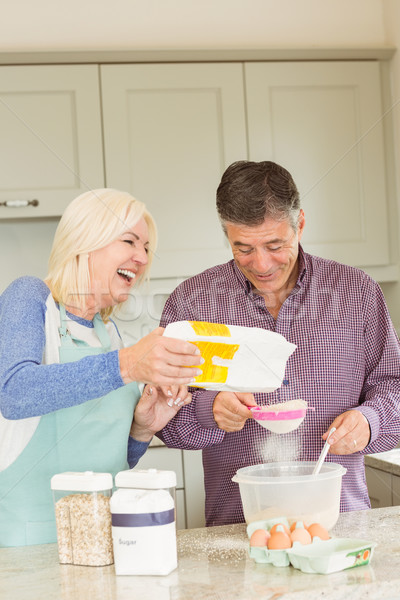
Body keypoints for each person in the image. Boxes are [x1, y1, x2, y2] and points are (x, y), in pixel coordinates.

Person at [158, 160, 400, 527]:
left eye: (275, 245)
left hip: (341, 527)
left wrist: (370, 421)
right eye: (244, 248)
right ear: (226, 234)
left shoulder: (357, 293)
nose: (261, 264)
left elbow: (394, 386)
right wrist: (210, 409)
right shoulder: (192, 303)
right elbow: (162, 416)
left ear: (299, 224)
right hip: (237, 532)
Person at [0, 188, 203, 547]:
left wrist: (142, 428)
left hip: (104, 536)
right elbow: (14, 392)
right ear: (85, 241)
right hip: (33, 541)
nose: (142, 257)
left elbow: (114, 462)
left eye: (145, 247)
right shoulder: (30, 298)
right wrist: (128, 365)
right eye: (130, 241)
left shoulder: (108, 333)